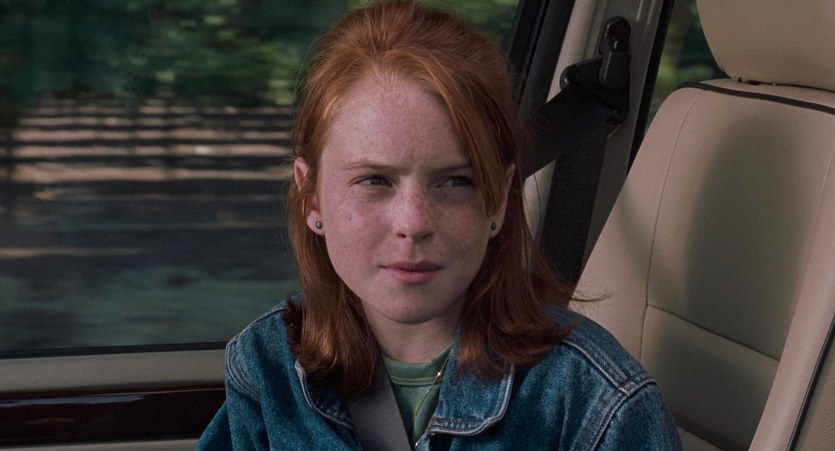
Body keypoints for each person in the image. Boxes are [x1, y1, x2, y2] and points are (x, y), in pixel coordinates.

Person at [198, 1, 682, 449]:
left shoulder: (596, 407)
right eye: (374, 180)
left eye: (455, 182)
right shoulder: (265, 369)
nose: (413, 223)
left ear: (497, 200)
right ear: (311, 198)